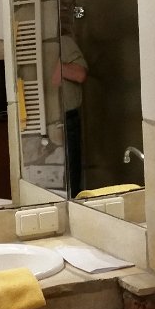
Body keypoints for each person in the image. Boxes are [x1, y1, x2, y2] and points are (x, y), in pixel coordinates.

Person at [51, 35, 89, 197]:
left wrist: (57, 67)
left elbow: (80, 74)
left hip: (67, 120)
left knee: (71, 181)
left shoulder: (63, 42)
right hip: (44, 125)